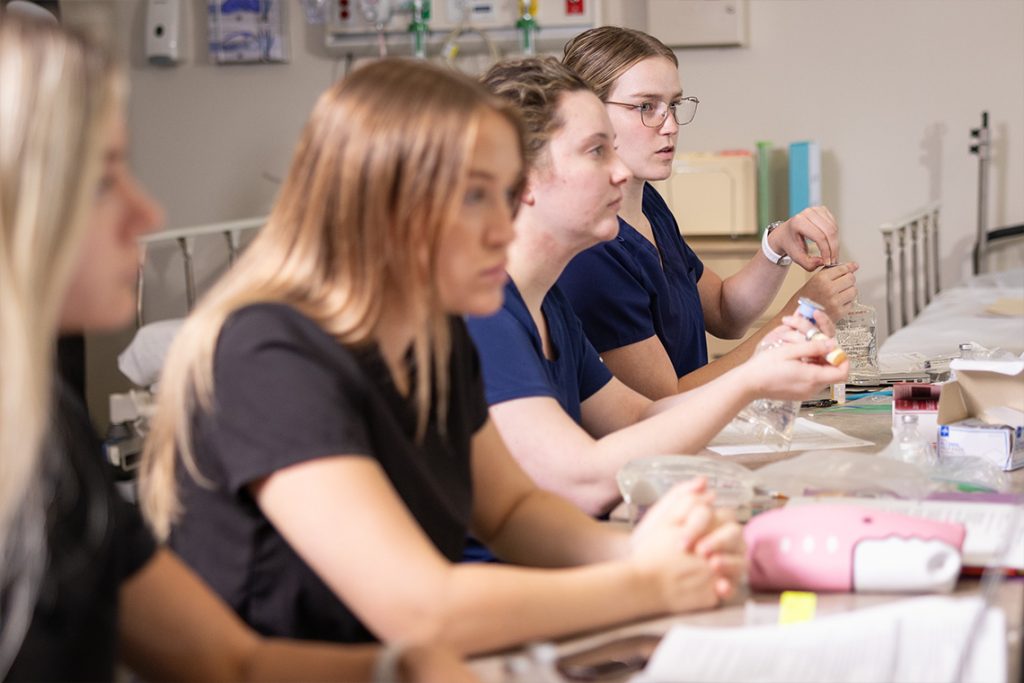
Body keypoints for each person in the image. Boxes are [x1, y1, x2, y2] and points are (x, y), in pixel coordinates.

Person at [139, 57, 745, 656]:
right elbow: (418, 608)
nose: (504, 225)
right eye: (479, 196)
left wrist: (639, 552)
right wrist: (641, 582)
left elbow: (511, 510)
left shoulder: (432, 336)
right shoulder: (274, 355)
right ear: (397, 207)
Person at [0, 14, 472, 682]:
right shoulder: (269, 351)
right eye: (101, 179)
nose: (148, 213)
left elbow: (230, 659)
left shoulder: (44, 425)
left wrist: (401, 668)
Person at [469, 57, 848, 518]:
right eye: (596, 152)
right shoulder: (482, 316)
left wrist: (765, 479)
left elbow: (638, 420)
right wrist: (751, 376)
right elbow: (582, 480)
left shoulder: (549, 306)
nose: (622, 173)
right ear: (522, 177)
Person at [558, 26, 859, 401]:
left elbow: (723, 312)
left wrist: (777, 245)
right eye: (646, 107)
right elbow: (666, 401)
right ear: (589, 114)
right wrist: (799, 318)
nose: (670, 126)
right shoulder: (593, 253)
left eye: (674, 105)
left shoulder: (648, 204)